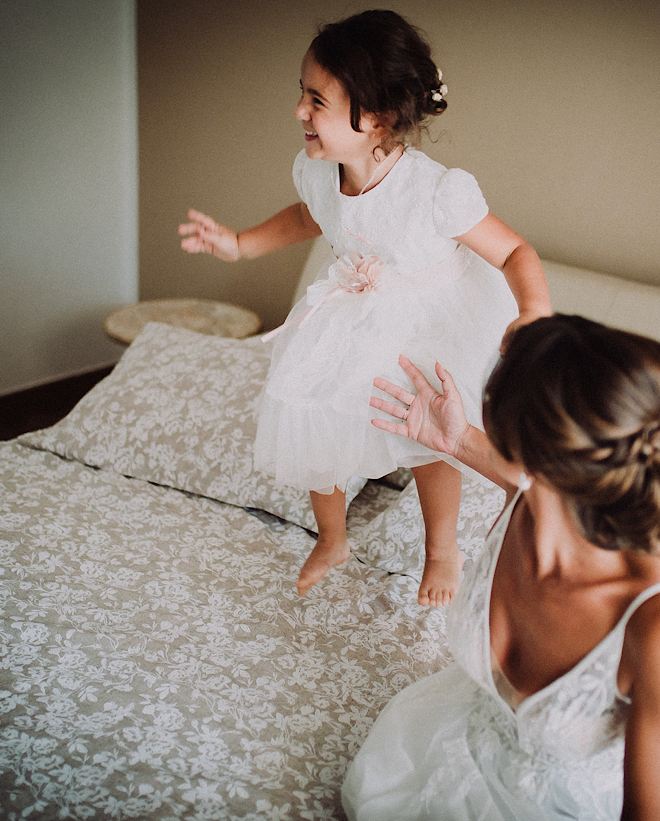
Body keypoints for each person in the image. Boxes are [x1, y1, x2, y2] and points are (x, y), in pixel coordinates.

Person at [180, 9, 550, 605]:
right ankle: (332, 538)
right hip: (358, 310)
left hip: (433, 318)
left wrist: (533, 313)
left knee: (431, 431)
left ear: (376, 118)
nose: (299, 111)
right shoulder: (319, 173)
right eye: (301, 93)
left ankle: (442, 550)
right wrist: (240, 243)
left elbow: (514, 252)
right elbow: (308, 218)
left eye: (317, 100)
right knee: (312, 403)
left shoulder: (434, 191)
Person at [342, 315, 660, 820]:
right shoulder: (529, 500)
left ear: (523, 446)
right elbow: (514, 476)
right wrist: (456, 440)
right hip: (452, 765)